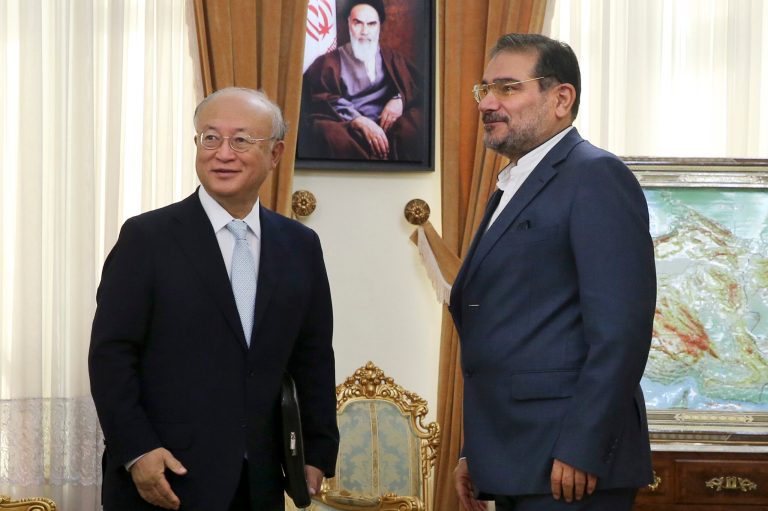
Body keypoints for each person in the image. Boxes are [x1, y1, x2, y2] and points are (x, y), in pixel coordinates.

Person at [89, 87, 339, 511]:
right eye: (210, 138)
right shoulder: (146, 238)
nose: (223, 153)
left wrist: (317, 450)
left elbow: (313, 356)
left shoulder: (300, 245)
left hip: (259, 480)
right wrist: (136, 449)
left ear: (275, 154)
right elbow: (111, 355)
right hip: (165, 477)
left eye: (241, 140)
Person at [449, 34, 657, 511]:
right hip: (515, 458)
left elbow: (620, 333)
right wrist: (473, 450)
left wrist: (584, 446)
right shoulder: (512, 186)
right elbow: (508, 332)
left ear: (561, 99)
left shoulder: (595, 176)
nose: (487, 104)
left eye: (507, 88)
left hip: (571, 467)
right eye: (485, 89)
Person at [298, 0, 424, 161]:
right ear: (348, 23)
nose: (364, 31)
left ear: (379, 26)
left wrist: (399, 100)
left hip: (389, 129)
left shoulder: (393, 59)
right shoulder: (327, 62)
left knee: (415, 124)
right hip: (349, 129)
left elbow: (418, 89)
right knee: (328, 133)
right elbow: (319, 99)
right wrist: (358, 120)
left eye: (371, 24)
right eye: (358, 23)